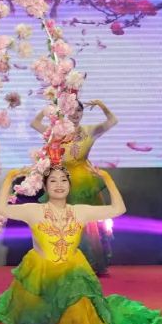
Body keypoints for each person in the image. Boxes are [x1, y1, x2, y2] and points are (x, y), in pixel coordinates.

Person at [0, 158, 162, 324]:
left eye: (63, 180)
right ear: (45, 187)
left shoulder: (80, 211)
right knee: (40, 322)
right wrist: (10, 177)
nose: (59, 185)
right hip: (41, 274)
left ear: (69, 186)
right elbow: (1, 209)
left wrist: (107, 179)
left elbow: (118, 209)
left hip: (71, 275)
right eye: (53, 181)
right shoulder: (34, 210)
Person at [31, 99, 118, 274]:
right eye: (71, 110)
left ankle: (89, 263)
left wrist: (101, 105)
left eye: (79, 111)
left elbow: (112, 121)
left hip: (84, 180)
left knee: (87, 223)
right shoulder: (56, 131)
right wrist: (47, 109)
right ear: (65, 112)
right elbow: (35, 123)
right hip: (61, 179)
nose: (75, 114)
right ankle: (63, 260)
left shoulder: (89, 131)